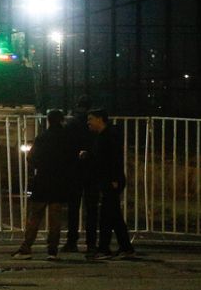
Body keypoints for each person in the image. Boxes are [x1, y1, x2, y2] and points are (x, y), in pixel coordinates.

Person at [13, 109, 78, 260]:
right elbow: (72, 159)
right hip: (60, 181)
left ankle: (26, 247)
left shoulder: (42, 137)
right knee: (55, 218)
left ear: (48, 120)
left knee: (35, 216)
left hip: (42, 180)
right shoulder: (67, 138)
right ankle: (52, 251)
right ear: (62, 120)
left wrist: (40, 166)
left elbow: (31, 158)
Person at [88, 109, 136, 259]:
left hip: (110, 181)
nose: (88, 122)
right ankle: (123, 247)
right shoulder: (103, 136)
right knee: (112, 216)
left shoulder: (108, 137)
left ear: (100, 119)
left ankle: (106, 248)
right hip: (108, 180)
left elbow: (113, 158)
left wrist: (114, 179)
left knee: (108, 216)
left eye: (90, 119)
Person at [63, 96, 98, 254]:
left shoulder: (72, 123)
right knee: (91, 208)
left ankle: (72, 241)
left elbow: (66, 146)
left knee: (73, 207)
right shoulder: (94, 124)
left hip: (74, 169)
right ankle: (91, 243)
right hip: (91, 169)